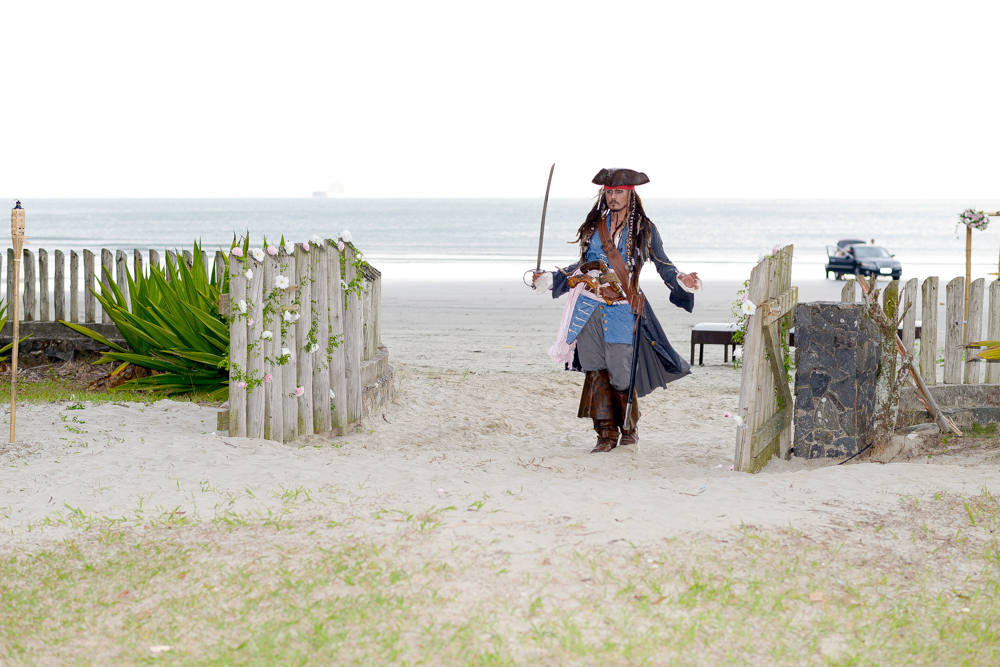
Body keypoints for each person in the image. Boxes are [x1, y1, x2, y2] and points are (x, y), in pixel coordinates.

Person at [531, 168, 701, 453]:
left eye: (618, 191)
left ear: (630, 194)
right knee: (595, 371)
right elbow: (582, 266)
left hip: (623, 310)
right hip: (587, 308)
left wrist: (682, 280)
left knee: (621, 374)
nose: (613, 196)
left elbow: (664, 265)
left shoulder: (644, 230)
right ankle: (605, 434)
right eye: (609, 192)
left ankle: (628, 429)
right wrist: (552, 278)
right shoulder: (593, 227)